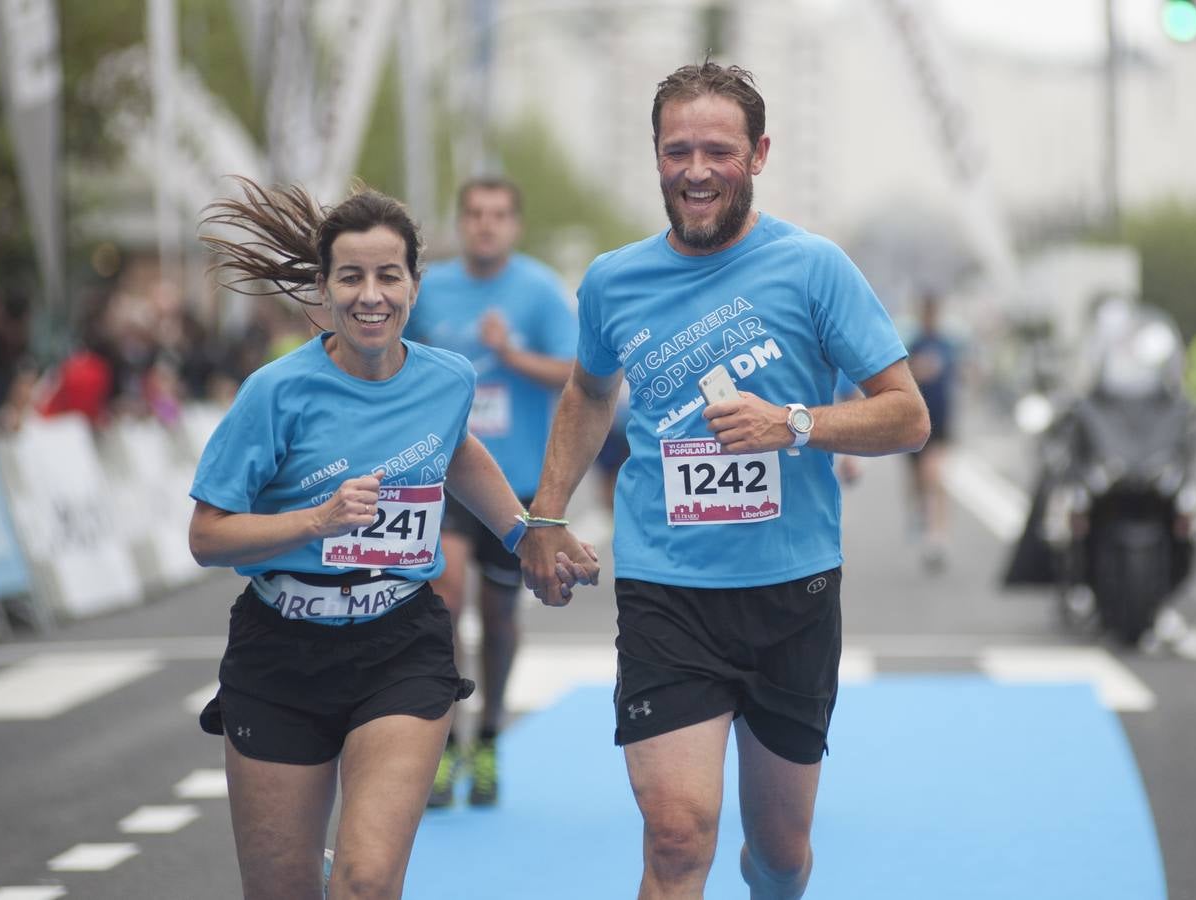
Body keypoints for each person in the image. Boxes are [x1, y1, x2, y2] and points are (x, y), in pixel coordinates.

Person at [518, 62, 929, 899]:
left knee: (780, 855)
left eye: (717, 150)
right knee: (675, 837)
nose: (696, 170)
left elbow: (907, 415)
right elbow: (590, 391)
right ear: (656, 156)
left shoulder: (814, 269)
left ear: (760, 154)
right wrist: (546, 516)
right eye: (678, 151)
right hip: (667, 591)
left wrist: (795, 423)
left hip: (792, 592)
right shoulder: (612, 280)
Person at [188, 178, 596, 900]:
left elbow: (458, 450)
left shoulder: (446, 379)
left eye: (388, 275)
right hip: (280, 650)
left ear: (415, 286)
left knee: (368, 881)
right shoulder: (275, 393)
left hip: (398, 643)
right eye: (350, 277)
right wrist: (314, 522)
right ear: (324, 287)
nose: (369, 295)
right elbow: (207, 536)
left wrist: (525, 532)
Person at [405, 177, 577, 807]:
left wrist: (512, 353)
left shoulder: (537, 290)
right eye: (474, 214)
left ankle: (491, 732)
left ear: (515, 225)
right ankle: (446, 740)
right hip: (445, 475)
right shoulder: (432, 291)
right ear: (461, 222)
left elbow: (576, 374)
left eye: (498, 215)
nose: (485, 225)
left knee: (501, 616)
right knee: (445, 598)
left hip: (518, 480)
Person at [905, 293, 960, 572]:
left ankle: (938, 535)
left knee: (935, 477)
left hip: (940, 420)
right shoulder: (913, 344)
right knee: (917, 481)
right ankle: (921, 515)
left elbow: (959, 373)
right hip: (915, 422)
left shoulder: (947, 344)